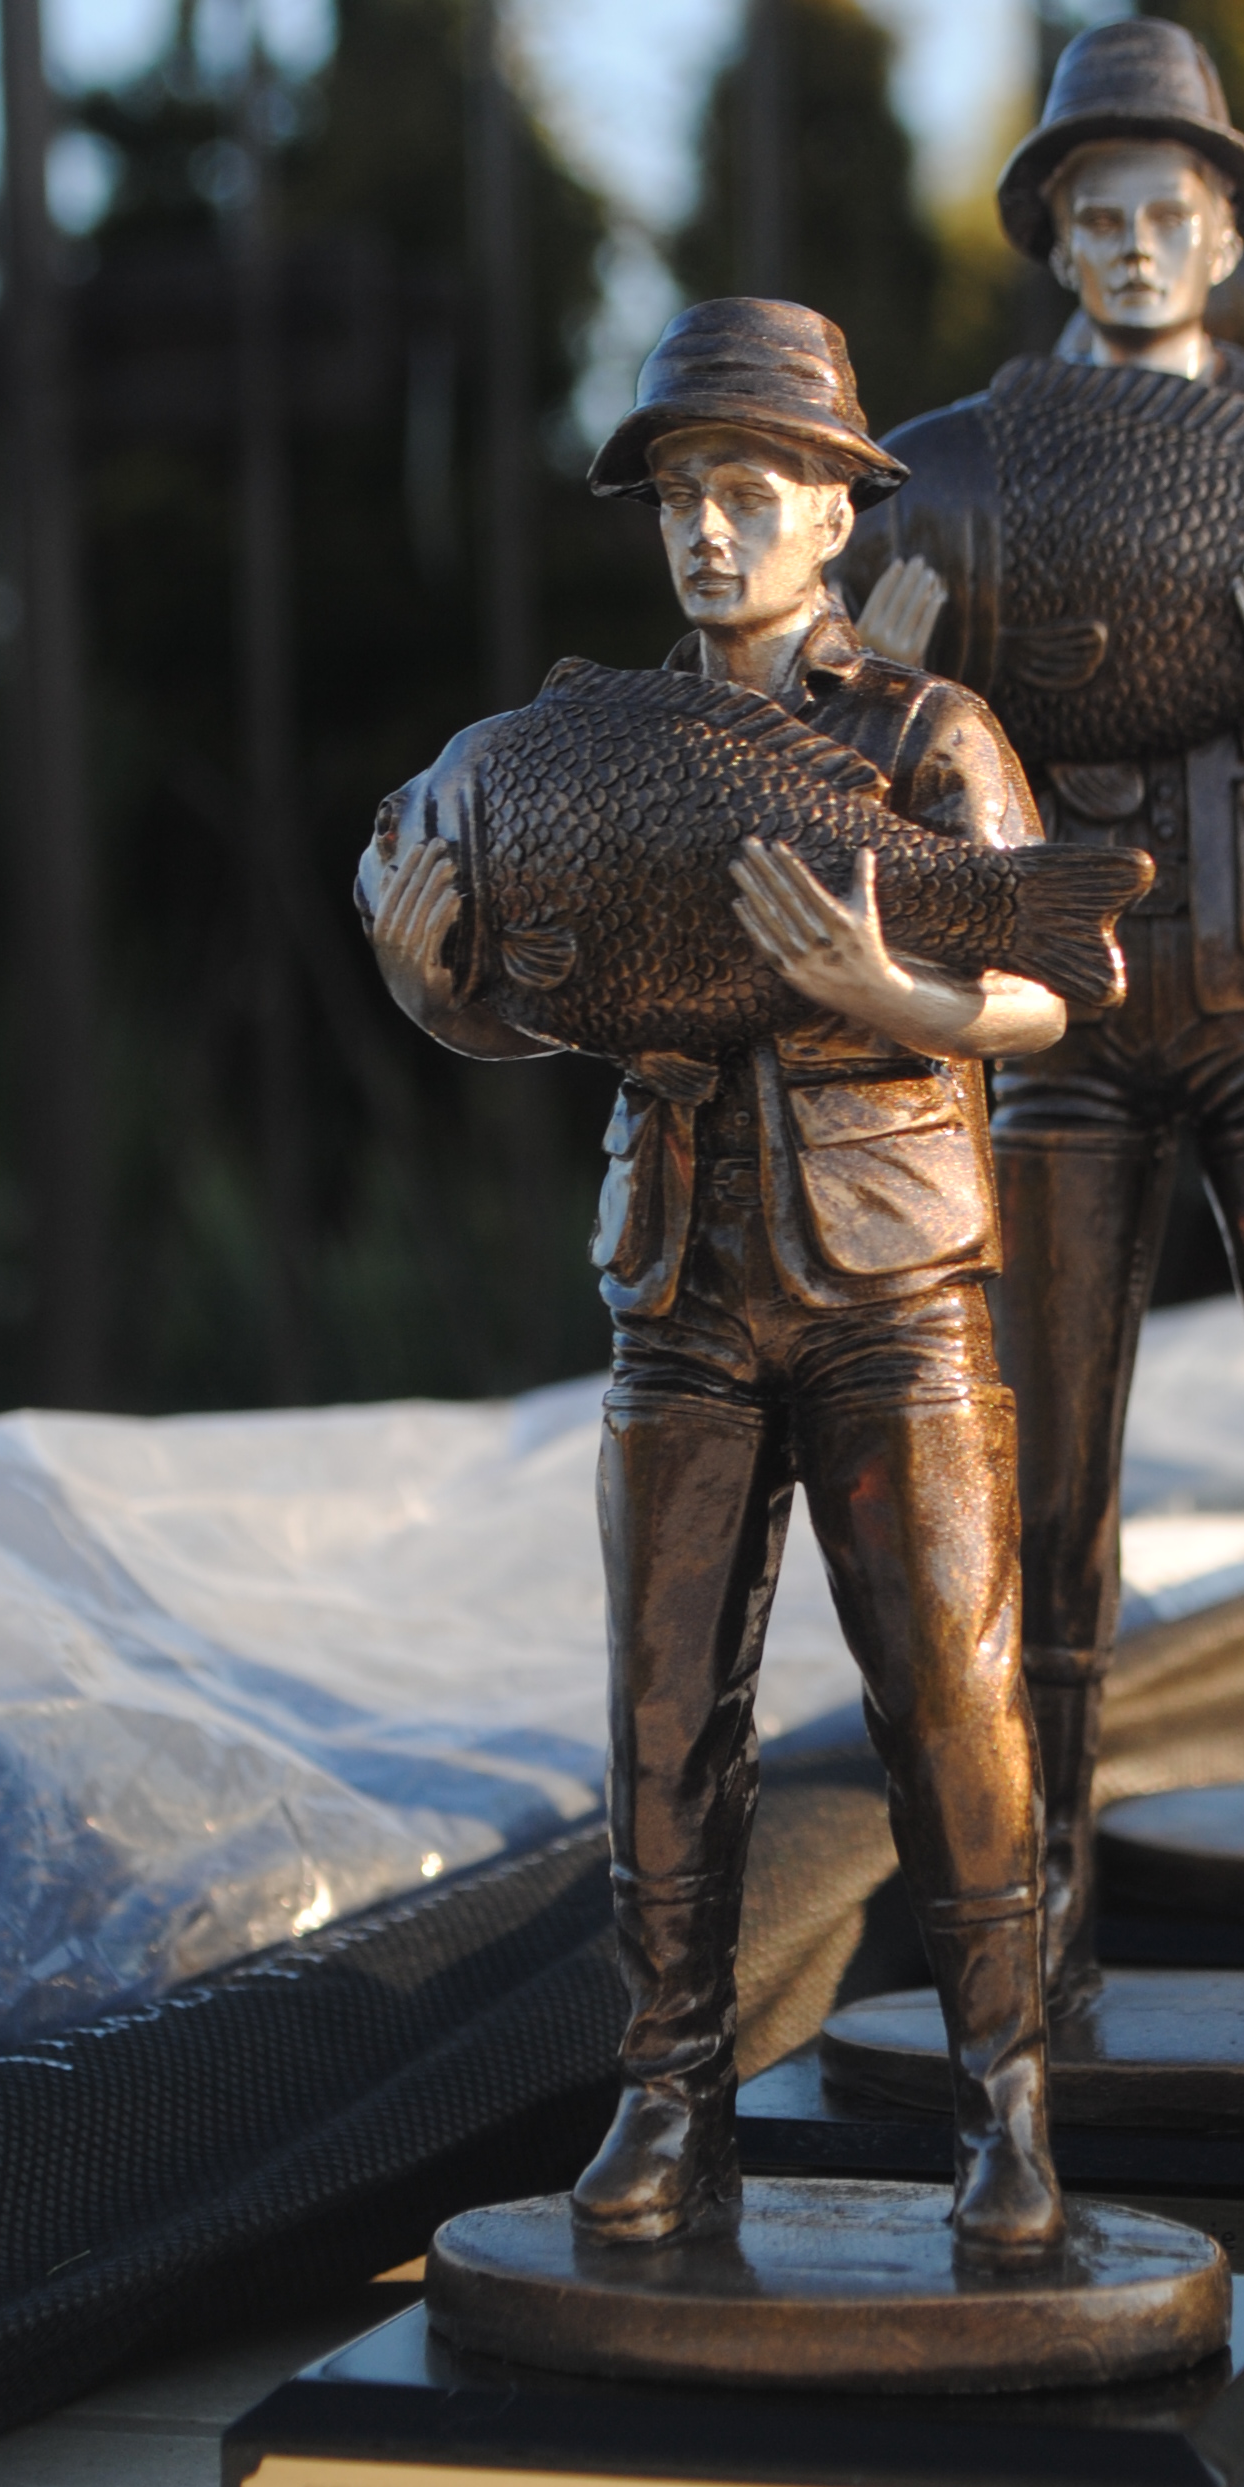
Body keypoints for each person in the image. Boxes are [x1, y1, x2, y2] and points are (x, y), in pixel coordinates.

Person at [367, 299, 1069, 2248]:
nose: (707, 530)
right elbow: (548, 999)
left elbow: (1051, 983)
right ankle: (672, 2093)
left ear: (838, 514)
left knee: (951, 1689)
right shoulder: (582, 749)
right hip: (677, 1276)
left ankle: (1008, 2104)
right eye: (681, 495)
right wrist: (440, 991)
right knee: (664, 1706)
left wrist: (892, 990)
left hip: (891, 1278)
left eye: (749, 492)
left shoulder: (930, 732)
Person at [858, 19, 1244, 2031]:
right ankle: (1048, 1889)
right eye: (1098, 216)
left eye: (1170, 212)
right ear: (1057, 242)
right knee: (1051, 1470)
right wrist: (891, 694)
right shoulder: (966, 464)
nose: (1136, 245)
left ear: (1225, 231)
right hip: (1074, 1005)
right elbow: (877, 763)